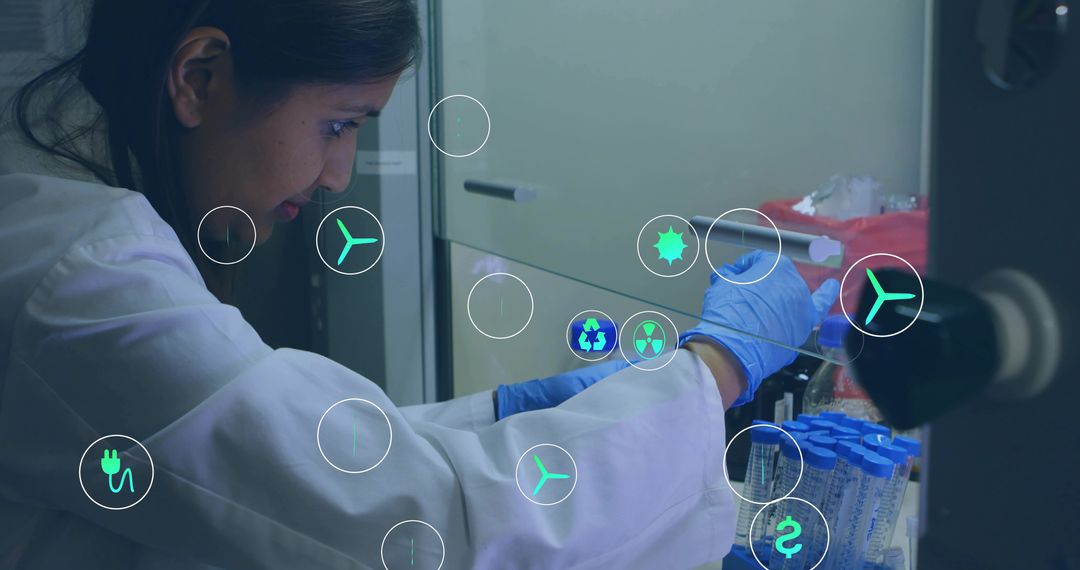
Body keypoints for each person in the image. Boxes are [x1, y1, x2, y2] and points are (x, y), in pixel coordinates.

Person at [0, 1, 839, 568]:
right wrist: (717, 365)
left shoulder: (59, 209)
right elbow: (427, 528)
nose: (337, 175)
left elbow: (274, 455)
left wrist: (503, 414)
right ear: (199, 77)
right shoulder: (85, 281)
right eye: (337, 125)